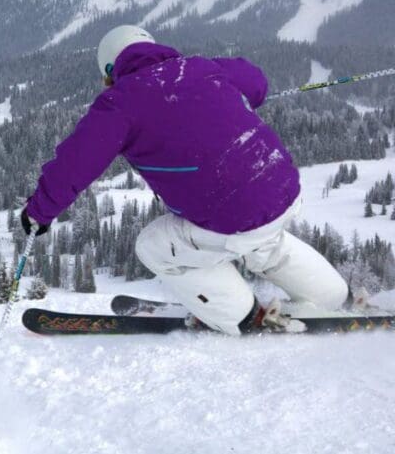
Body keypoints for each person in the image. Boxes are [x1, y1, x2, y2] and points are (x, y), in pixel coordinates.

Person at [22, 25, 349, 334]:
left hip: (228, 213)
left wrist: (38, 213)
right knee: (265, 242)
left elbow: (74, 163)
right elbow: (257, 83)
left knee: (154, 246)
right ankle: (331, 297)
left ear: (110, 71)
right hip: (283, 189)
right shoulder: (201, 67)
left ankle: (240, 316)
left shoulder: (119, 103)